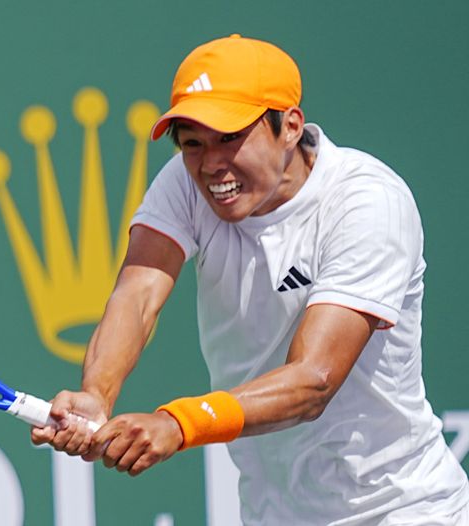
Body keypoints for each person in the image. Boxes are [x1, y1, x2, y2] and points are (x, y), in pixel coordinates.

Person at [31, 34, 469, 524]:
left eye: (230, 137)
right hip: (273, 514)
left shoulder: (367, 203)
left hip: (402, 511)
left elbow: (314, 380)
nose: (211, 163)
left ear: (291, 126)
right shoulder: (185, 183)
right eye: (192, 143)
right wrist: (97, 393)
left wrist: (179, 423)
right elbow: (137, 296)